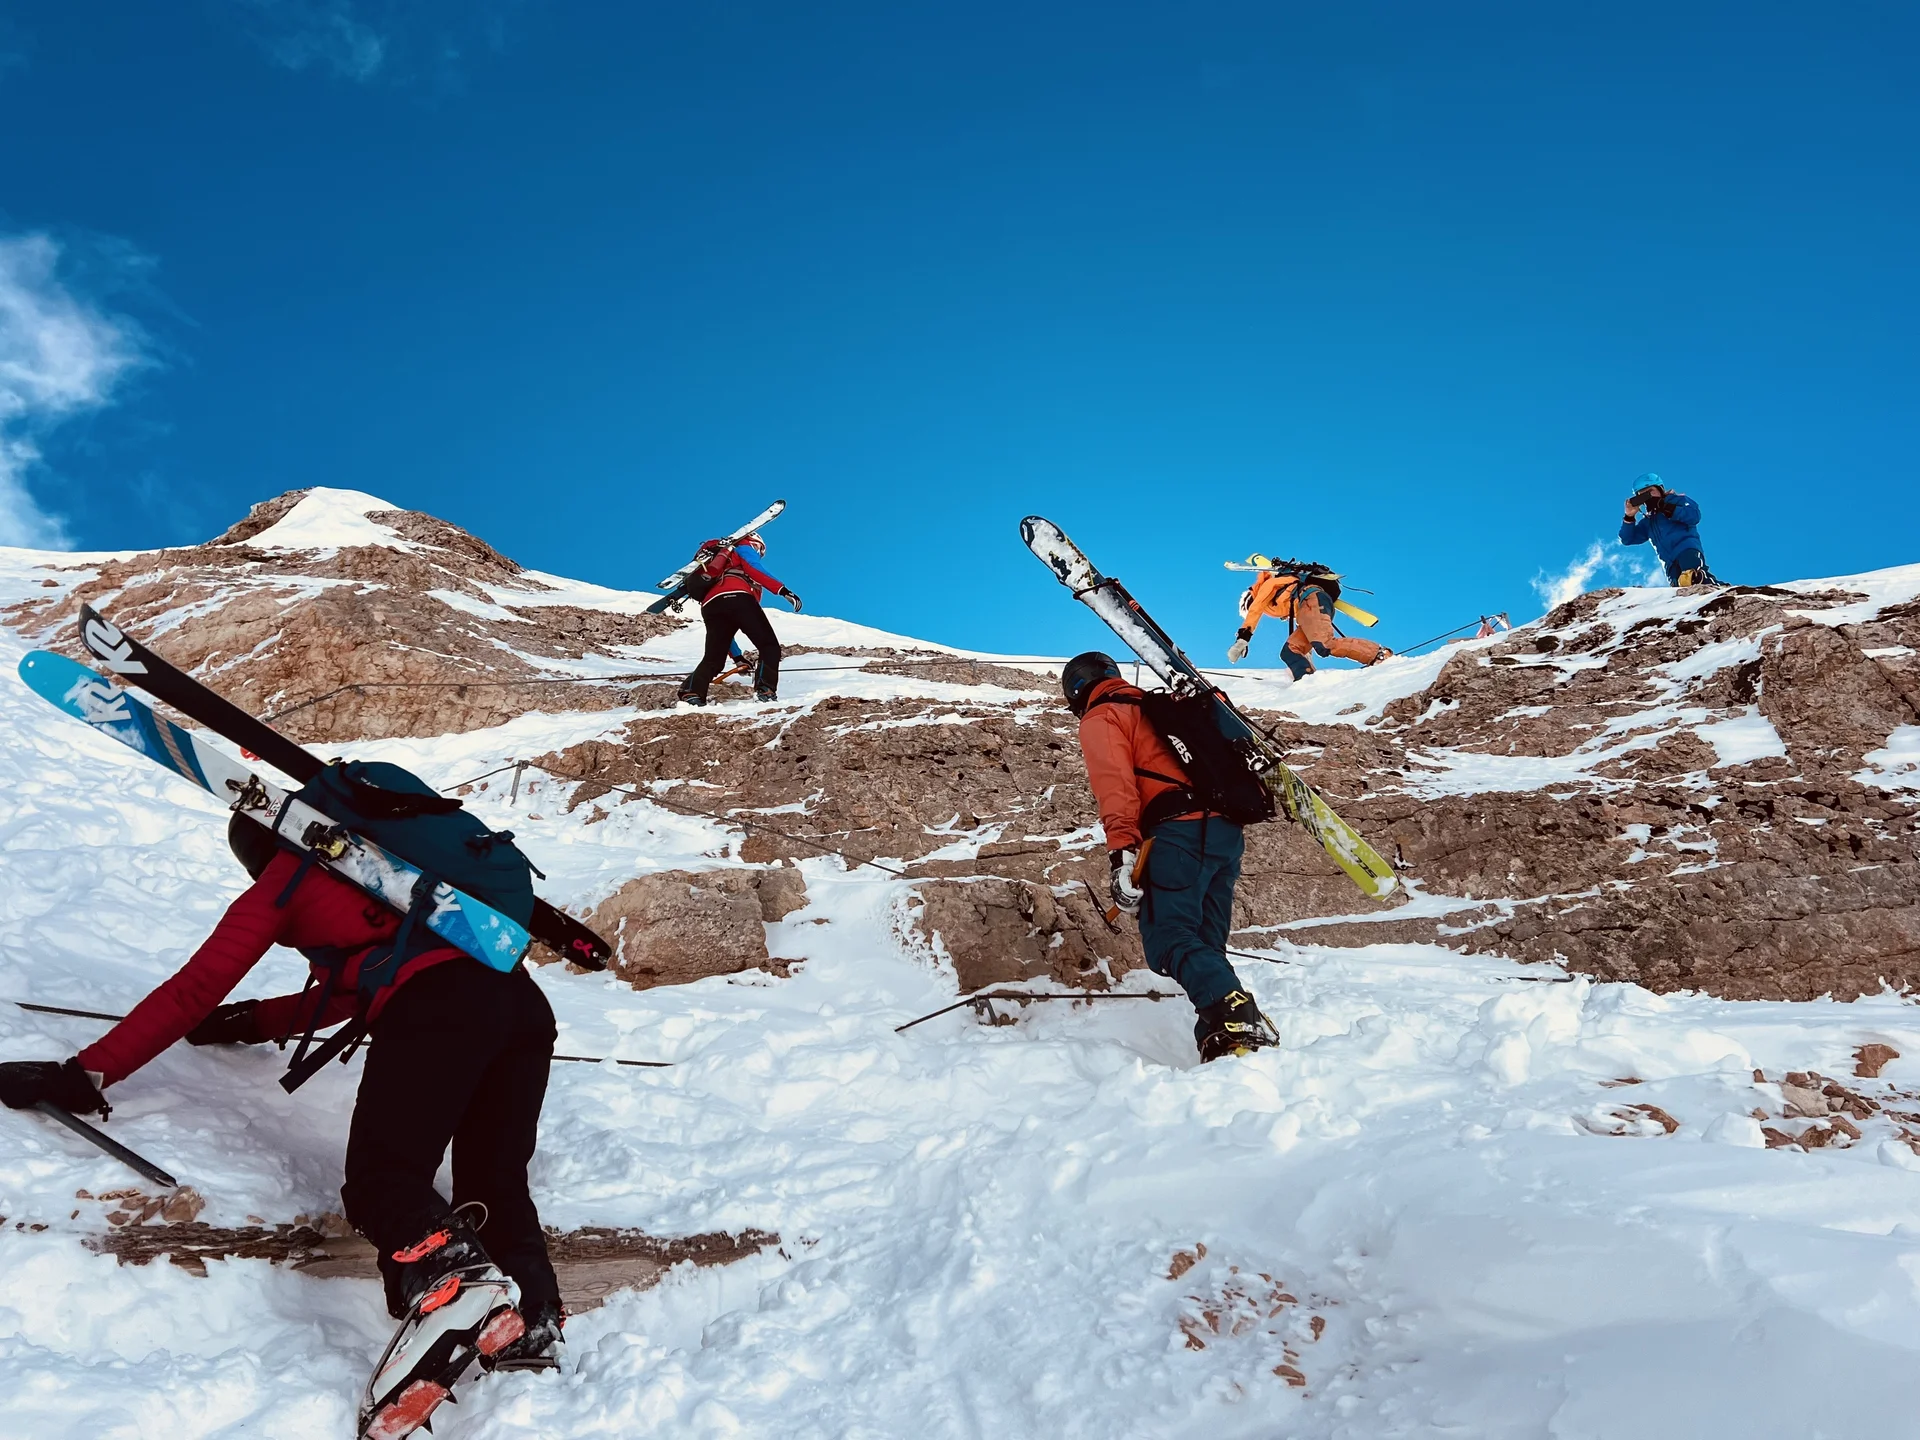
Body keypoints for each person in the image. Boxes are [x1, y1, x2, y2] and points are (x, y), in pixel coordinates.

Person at [0, 797, 563, 1438]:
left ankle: (453, 1287)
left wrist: (82, 1076)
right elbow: (355, 991)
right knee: (496, 1181)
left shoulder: (291, 874)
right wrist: (248, 1021)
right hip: (523, 1007)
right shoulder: (404, 895)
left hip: (441, 1009)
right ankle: (533, 1328)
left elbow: (195, 985)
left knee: (385, 1181)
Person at [1061, 652, 1279, 1063]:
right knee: (1205, 944)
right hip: (1225, 834)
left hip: (1178, 834)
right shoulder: (1163, 705)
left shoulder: (1104, 715)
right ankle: (1224, 1033)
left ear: (1076, 691)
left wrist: (1121, 854)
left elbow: (1116, 786)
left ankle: (1236, 1016)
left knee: (1169, 939)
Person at [675, 532, 802, 705]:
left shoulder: (716, 559)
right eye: (760, 549)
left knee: (714, 659)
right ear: (756, 543)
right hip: (738, 597)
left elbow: (727, 631)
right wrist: (782, 590)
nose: (759, 553)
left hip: (710, 605)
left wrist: (738, 658)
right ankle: (765, 690)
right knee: (769, 646)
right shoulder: (743, 547)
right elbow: (753, 567)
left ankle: (691, 692)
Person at [1227, 560, 1390, 680]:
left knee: (1325, 644)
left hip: (1312, 600)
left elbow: (1255, 610)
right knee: (1290, 652)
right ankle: (1307, 679)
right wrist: (1308, 653)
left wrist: (1242, 639)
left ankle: (1378, 654)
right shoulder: (1283, 597)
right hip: (1311, 607)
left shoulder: (1267, 588)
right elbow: (1306, 625)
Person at [1619, 474, 1717, 586]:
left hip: (1686, 550)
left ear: (1660, 489)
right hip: (1669, 563)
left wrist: (1666, 507)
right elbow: (1627, 539)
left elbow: (1693, 516)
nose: (1648, 496)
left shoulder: (1678, 501)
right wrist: (1629, 516)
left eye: (1650, 491)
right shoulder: (1648, 521)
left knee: (1694, 578)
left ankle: (1724, 592)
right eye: (1643, 495)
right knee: (1679, 589)